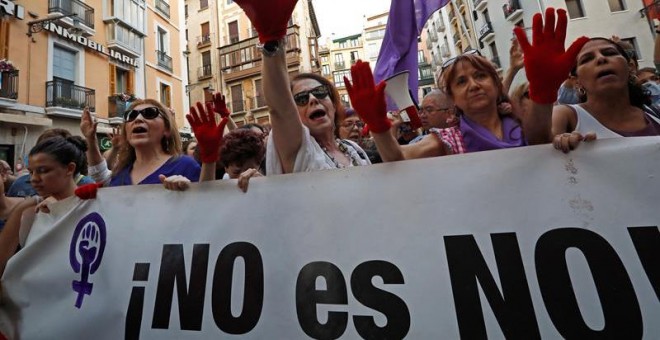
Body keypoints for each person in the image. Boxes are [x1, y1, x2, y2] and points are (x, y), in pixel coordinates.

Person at [231, 0, 370, 174]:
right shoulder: (302, 149)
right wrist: (271, 38)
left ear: (333, 103)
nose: (312, 99)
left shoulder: (353, 149)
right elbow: (280, 108)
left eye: (319, 93)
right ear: (294, 114)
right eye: (301, 99)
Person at [0, 136, 88, 277]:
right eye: (31, 172)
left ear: (70, 169)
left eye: (43, 170)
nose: (34, 179)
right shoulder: (28, 208)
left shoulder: (91, 204)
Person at [81, 100, 199, 190]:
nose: (138, 118)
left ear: (167, 129)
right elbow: (99, 176)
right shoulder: (120, 171)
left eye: (149, 113)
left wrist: (187, 192)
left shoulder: (186, 166)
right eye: (131, 116)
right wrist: (90, 139)